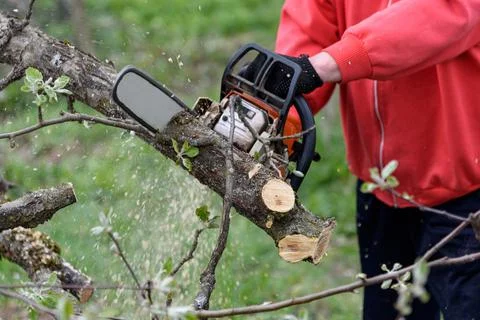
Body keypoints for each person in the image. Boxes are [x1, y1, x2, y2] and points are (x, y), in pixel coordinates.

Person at [250, 0, 480, 319]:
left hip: (467, 192)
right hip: (380, 187)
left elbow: (442, 13)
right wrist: (283, 106)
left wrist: (327, 64)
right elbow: (312, 20)